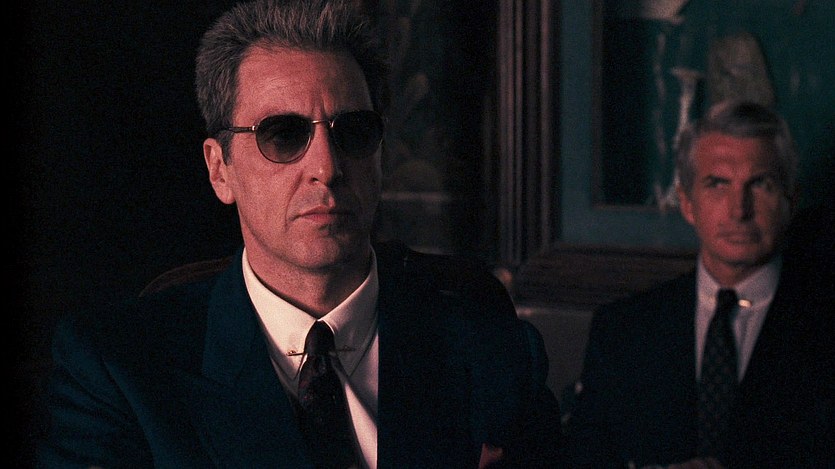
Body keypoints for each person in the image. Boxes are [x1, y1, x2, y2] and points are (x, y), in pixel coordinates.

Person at [35, 1, 565, 467]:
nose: (327, 168)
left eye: (353, 132)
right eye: (283, 135)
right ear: (220, 170)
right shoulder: (118, 369)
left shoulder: (490, 350)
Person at [566, 100, 834, 468]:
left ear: (792, 199)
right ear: (687, 203)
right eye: (717, 184)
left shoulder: (822, 319)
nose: (739, 210)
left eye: (760, 184)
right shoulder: (622, 330)